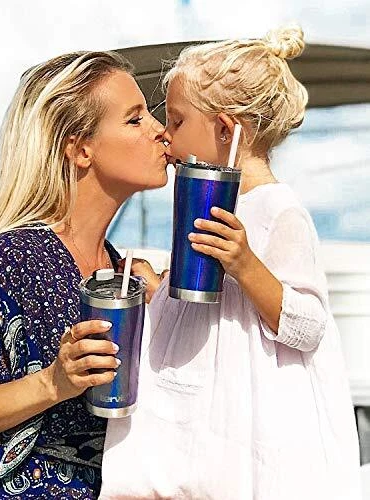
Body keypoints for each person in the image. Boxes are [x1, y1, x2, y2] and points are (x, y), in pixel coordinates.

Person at [100, 26, 362, 500]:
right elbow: (212, 311)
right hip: (201, 419)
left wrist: (245, 263)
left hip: (243, 425)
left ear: (226, 129)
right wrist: (159, 289)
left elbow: (308, 327)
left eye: (177, 121)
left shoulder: (279, 211)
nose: (166, 136)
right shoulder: (208, 205)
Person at [0, 51, 168, 499]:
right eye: (135, 119)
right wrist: (53, 382)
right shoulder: (13, 259)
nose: (160, 130)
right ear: (80, 149)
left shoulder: (119, 270)